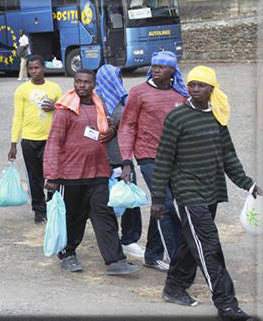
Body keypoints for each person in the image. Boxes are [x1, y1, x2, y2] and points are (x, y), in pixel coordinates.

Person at [151, 66, 262, 321]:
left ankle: (174, 287)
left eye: (201, 85)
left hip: (211, 191)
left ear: (212, 88)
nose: (196, 89)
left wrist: (248, 184)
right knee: (209, 246)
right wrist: (157, 197)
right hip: (189, 193)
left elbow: (228, 156)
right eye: (192, 85)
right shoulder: (177, 118)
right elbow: (164, 159)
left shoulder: (217, 116)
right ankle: (227, 305)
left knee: (193, 244)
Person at [43, 69, 139, 275]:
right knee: (73, 218)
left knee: (105, 215)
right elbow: (53, 142)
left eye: (87, 82)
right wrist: (51, 175)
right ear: (74, 83)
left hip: (98, 172)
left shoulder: (99, 105)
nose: (82, 86)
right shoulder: (64, 109)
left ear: (94, 84)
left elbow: (108, 130)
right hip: (70, 175)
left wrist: (112, 131)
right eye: (78, 82)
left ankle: (115, 261)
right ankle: (67, 254)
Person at [118, 51, 188, 272]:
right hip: (148, 155)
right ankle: (179, 260)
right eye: (154, 65)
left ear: (172, 71)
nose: (156, 69)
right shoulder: (139, 92)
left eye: (162, 67)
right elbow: (127, 126)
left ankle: (152, 255)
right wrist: (126, 161)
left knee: (161, 205)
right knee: (166, 204)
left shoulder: (181, 95)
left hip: (175, 159)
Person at [95, 64, 145, 259]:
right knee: (105, 204)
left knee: (129, 201)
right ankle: (111, 242)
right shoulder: (94, 101)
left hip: (123, 159)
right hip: (100, 161)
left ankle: (130, 239)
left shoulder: (125, 100)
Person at [8, 55, 62, 223]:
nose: (33, 71)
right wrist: (13, 143)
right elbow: (18, 117)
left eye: (37, 68)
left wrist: (55, 107)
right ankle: (39, 210)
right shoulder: (21, 90)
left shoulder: (55, 88)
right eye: (30, 68)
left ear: (43, 68)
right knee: (34, 176)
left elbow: (64, 112)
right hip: (29, 140)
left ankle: (53, 206)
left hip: (50, 140)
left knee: (53, 175)